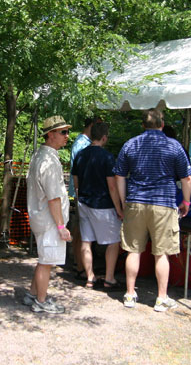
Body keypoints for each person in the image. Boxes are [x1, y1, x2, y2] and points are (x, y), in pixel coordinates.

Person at [113, 109, 191, 312]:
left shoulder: (131, 144)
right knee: (162, 253)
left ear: (143, 125)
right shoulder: (173, 146)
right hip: (163, 204)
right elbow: (187, 178)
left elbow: (119, 177)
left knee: (133, 250)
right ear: (162, 124)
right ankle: (161, 298)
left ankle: (130, 294)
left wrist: (124, 202)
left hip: (136, 203)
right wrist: (186, 201)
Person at [23, 116, 73, 314]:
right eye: (63, 132)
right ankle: (41, 301)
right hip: (49, 220)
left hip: (42, 217)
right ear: (50, 134)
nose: (67, 136)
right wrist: (61, 227)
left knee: (44, 258)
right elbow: (53, 198)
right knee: (46, 262)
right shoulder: (49, 161)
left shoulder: (40, 155)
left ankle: (33, 294)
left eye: (67, 131)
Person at [71, 122, 123, 290]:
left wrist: (79, 200)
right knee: (114, 242)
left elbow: (76, 181)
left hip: (84, 202)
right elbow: (112, 187)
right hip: (102, 204)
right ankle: (109, 278)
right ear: (104, 137)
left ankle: (90, 277)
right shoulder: (107, 157)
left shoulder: (80, 155)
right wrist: (119, 208)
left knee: (86, 241)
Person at [68, 117, 99, 278]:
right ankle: (79, 264)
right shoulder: (82, 144)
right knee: (81, 230)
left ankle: (78, 262)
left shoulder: (82, 142)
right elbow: (78, 171)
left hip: (81, 191)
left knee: (80, 228)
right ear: (92, 125)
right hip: (81, 192)